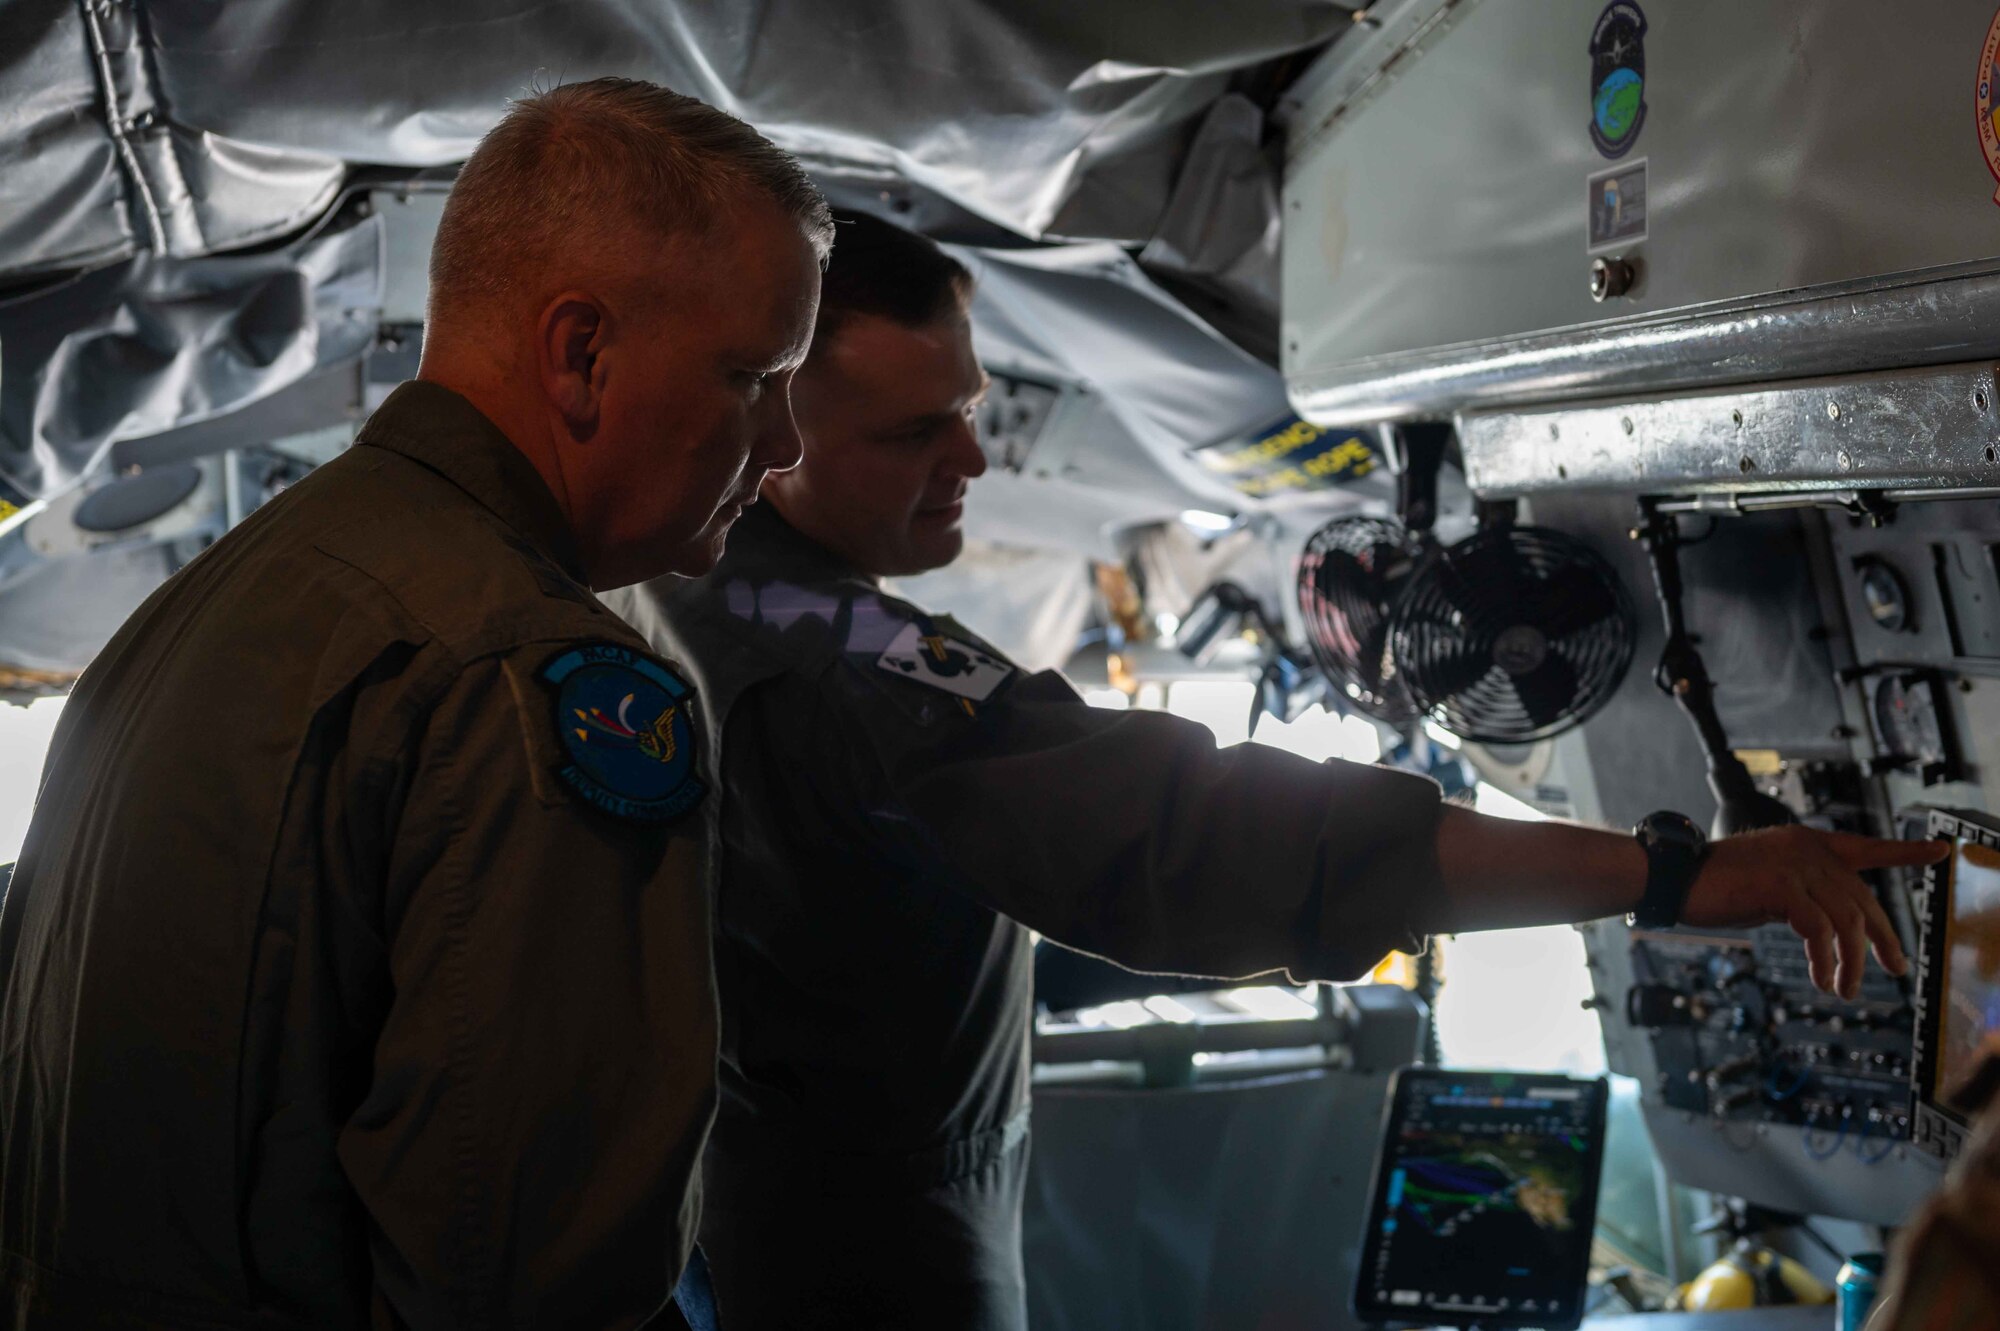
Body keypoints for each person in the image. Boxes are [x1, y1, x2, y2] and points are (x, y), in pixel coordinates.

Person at [605, 212, 1946, 1330]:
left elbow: (902, 897)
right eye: (912, 434)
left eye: (971, 409)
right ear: (772, 428)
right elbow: (1193, 832)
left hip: (751, 1211)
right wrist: (1672, 873)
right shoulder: (845, 661)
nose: (969, 459)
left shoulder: (666, 589)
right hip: (860, 1256)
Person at [0, 79, 827, 1329]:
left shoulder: (200, 611)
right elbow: (533, 1282)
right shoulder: (532, 679)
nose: (781, 446)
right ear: (582, 354)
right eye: (754, 377)